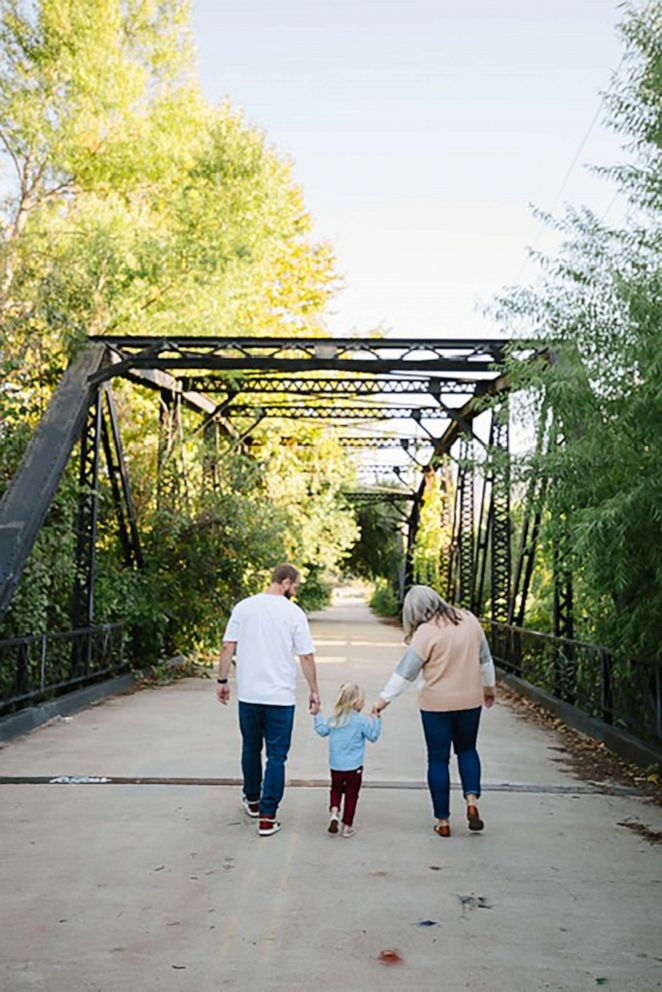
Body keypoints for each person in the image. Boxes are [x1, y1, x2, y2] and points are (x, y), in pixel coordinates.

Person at [372, 585, 496, 838]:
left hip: (435, 705)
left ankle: (443, 821)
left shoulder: (425, 633)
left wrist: (382, 701)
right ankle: (471, 800)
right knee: (468, 750)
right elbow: (485, 659)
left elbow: (405, 673)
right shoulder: (470, 620)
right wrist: (489, 688)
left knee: (438, 760)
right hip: (470, 701)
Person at [216, 563, 320, 837]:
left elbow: (228, 646)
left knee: (250, 747)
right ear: (285, 582)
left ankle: (253, 799)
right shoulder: (294, 613)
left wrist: (222, 680)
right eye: (295, 586)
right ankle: (267, 816)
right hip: (280, 698)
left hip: (249, 695)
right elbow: (306, 656)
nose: (295, 591)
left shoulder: (244, 607)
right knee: (276, 756)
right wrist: (314, 690)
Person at [313, 682, 381, 838]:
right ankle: (347, 827)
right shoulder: (361, 721)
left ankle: (335, 812)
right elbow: (373, 736)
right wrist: (377, 719)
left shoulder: (334, 720)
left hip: (336, 766)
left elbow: (321, 730)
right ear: (357, 702)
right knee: (351, 795)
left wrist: (317, 714)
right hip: (354, 767)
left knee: (335, 789)